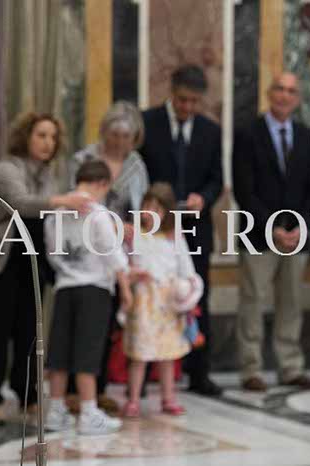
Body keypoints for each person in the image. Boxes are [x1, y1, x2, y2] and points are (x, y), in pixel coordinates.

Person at [0, 111, 90, 423]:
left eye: (53, 137)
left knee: (29, 330)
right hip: (0, 260)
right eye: (41, 135)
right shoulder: (7, 168)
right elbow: (22, 203)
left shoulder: (50, 174)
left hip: (32, 261)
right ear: (26, 136)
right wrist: (63, 201)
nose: (48, 142)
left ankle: (27, 394)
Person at [138, 64, 223, 397]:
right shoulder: (148, 123)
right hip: (155, 229)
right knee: (150, 297)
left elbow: (217, 178)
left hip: (196, 229)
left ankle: (199, 372)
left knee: (196, 295)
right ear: (171, 92)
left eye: (194, 102)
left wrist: (205, 197)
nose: (188, 107)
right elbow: (138, 174)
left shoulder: (210, 131)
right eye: (183, 100)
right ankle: (143, 375)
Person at [232, 72, 310, 391]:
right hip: (258, 234)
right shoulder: (247, 133)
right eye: (279, 89)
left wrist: (300, 226)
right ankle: (251, 369)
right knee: (253, 301)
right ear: (270, 94)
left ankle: (290, 367)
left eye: (291, 91)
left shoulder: (306, 136)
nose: (285, 95)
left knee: (291, 302)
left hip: (296, 237)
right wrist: (272, 228)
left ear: (298, 99)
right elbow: (244, 190)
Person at [68, 100, 149, 408]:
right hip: (85, 250)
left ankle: (98, 389)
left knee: (106, 322)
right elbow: (74, 203)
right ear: (104, 132)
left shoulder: (136, 164)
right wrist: (111, 225)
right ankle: (73, 390)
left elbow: (141, 208)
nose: (119, 142)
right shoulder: (84, 159)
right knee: (79, 320)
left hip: (120, 254)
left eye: (126, 136)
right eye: (114, 134)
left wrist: (134, 230)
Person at [44, 160, 132, 435]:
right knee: (88, 351)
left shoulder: (56, 213)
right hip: (94, 289)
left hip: (64, 287)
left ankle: (55, 411)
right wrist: (126, 289)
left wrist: (68, 271)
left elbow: (52, 254)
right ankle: (89, 412)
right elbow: (112, 253)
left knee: (59, 352)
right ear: (102, 184)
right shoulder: (98, 213)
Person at [122, 182, 204, 417]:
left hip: (169, 302)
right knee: (140, 354)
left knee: (168, 354)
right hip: (143, 301)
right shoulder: (134, 235)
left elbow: (186, 268)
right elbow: (122, 263)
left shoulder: (174, 237)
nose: (150, 212)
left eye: (157, 209)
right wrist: (132, 274)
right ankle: (133, 399)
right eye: (147, 206)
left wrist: (187, 291)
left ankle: (168, 398)